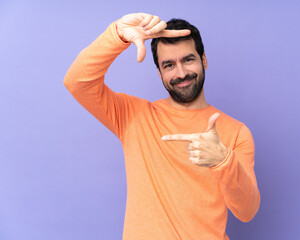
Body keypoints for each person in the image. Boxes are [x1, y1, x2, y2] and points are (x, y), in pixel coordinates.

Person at [64, 12, 260, 240]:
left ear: (203, 60)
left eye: (188, 59)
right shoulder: (133, 115)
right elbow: (76, 82)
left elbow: (247, 211)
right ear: (159, 73)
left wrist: (223, 161)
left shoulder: (236, 132)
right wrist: (117, 34)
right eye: (169, 65)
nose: (181, 73)